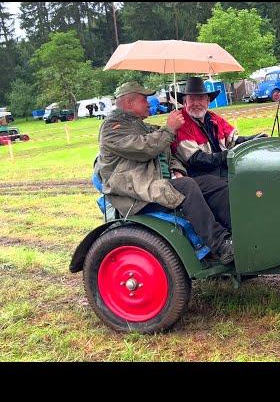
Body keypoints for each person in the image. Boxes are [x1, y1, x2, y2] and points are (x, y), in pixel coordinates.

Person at [95, 81, 234, 264]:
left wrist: (177, 170)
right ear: (129, 103)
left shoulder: (141, 126)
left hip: (157, 184)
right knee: (187, 186)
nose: (149, 103)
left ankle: (237, 234)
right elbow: (145, 149)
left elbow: (168, 152)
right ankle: (220, 245)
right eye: (144, 99)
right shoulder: (112, 129)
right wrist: (169, 129)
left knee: (213, 184)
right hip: (136, 193)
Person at [171, 76, 266, 180]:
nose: (196, 103)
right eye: (192, 99)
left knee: (256, 172)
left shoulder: (212, 118)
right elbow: (196, 159)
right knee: (238, 184)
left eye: (200, 99)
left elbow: (233, 140)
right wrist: (228, 155)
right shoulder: (180, 122)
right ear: (185, 102)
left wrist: (252, 139)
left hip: (219, 169)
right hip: (198, 175)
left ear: (208, 101)